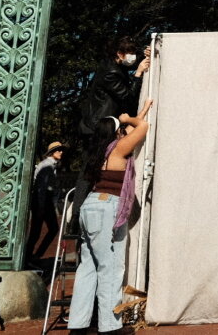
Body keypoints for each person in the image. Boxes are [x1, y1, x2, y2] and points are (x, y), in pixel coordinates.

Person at [69, 98, 153, 334]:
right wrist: (128, 118)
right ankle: (110, 327)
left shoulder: (98, 151)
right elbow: (141, 128)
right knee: (110, 268)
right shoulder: (119, 148)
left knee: (87, 268)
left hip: (90, 207)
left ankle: (78, 325)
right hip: (108, 207)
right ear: (117, 133)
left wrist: (142, 111)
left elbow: (134, 127)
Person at [76, 38, 150, 140]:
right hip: (99, 126)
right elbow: (128, 97)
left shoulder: (115, 63)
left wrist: (145, 52)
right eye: (130, 54)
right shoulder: (110, 73)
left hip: (101, 124)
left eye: (133, 53)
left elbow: (134, 61)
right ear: (119, 54)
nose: (132, 57)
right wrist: (137, 74)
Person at [25, 141, 65, 264]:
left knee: (43, 230)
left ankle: (32, 255)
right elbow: (41, 188)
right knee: (39, 230)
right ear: (52, 152)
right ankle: (29, 256)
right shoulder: (47, 166)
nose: (61, 152)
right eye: (59, 150)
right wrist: (42, 206)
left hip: (43, 201)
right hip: (41, 201)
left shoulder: (51, 165)